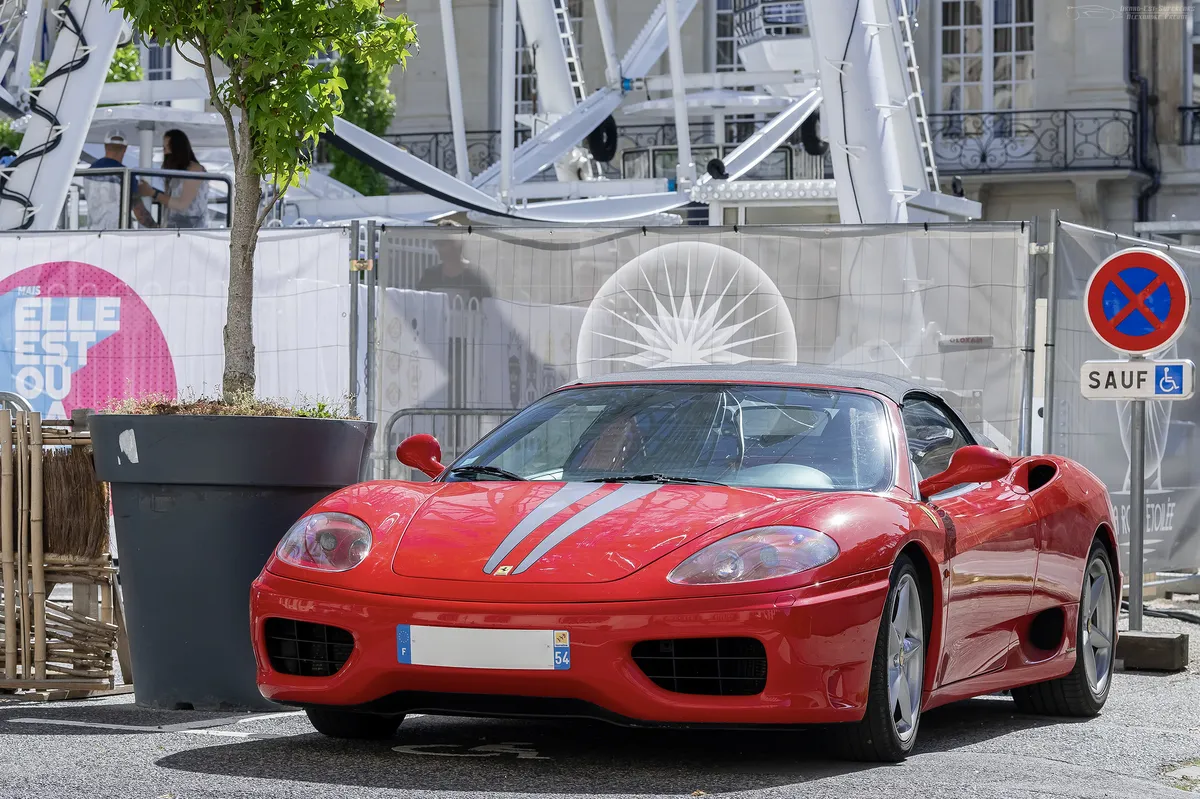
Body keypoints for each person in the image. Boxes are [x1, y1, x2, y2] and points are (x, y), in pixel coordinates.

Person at [139, 128, 209, 228]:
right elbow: (171, 203)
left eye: (168, 148)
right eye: (164, 148)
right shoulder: (175, 175)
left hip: (191, 230)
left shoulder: (195, 170)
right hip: (174, 228)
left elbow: (182, 204)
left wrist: (152, 193)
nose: (166, 153)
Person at [83, 130, 153, 229]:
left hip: (94, 232)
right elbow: (140, 213)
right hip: (119, 234)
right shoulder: (126, 174)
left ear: (105, 146)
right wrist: (157, 227)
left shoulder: (89, 172)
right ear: (125, 148)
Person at [416, 218, 493, 303]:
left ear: (459, 243)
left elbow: (488, 309)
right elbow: (419, 305)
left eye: (443, 243)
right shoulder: (430, 276)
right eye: (436, 243)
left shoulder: (476, 277)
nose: (439, 247)